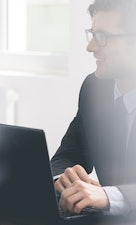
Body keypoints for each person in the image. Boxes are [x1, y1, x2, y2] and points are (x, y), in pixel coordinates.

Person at [51, 0, 136, 216]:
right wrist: (63, 178)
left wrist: (111, 196)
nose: (90, 48)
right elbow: (67, 155)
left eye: (103, 37)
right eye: (92, 34)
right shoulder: (95, 88)